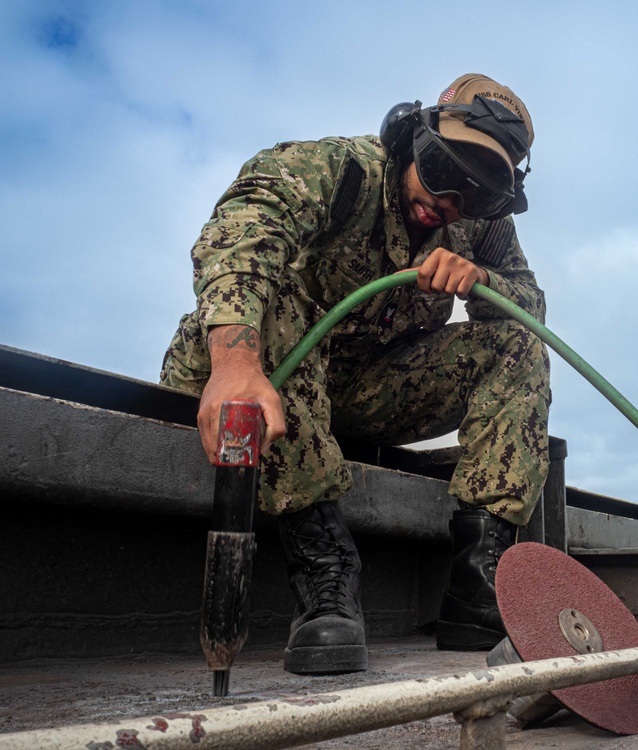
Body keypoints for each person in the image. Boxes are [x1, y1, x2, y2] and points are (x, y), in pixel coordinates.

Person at [160, 74, 550, 675]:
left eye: (475, 195)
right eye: (443, 171)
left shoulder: (478, 224)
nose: (450, 203)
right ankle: (325, 573)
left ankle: (478, 590)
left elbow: (531, 305)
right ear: (411, 136)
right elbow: (245, 224)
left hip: (359, 390)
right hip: (257, 372)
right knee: (280, 301)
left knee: (518, 344)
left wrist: (482, 279)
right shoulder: (343, 170)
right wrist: (236, 362)